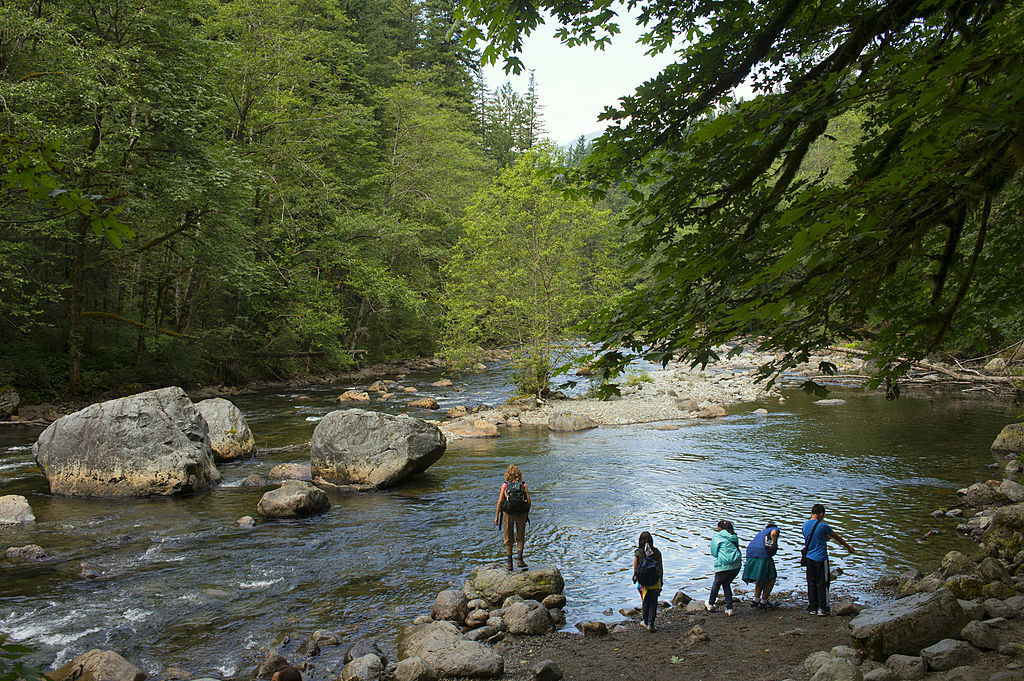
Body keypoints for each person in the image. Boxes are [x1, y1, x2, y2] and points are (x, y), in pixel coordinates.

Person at [802, 503, 854, 616]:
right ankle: (823, 607)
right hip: (820, 558)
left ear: (811, 513)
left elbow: (812, 537)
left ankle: (812, 607)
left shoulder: (804, 524)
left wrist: (824, 538)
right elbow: (837, 537)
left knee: (811, 582)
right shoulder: (823, 526)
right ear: (821, 514)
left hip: (809, 558)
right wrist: (848, 547)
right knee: (823, 583)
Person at [495, 463, 531, 571]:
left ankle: (509, 563)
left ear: (508, 475)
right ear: (519, 474)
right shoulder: (523, 485)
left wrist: (496, 516)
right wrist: (526, 515)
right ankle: (520, 560)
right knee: (520, 536)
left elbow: (499, 502)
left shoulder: (505, 485)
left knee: (508, 537)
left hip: (508, 513)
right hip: (521, 513)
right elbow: (529, 502)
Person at [706, 520, 742, 615]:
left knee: (717, 583)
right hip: (736, 565)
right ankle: (729, 608)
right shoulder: (734, 536)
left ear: (719, 528)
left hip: (723, 565)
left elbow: (714, 552)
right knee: (726, 584)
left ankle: (710, 604)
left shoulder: (717, 536)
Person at [742, 521, 780, 608]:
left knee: (760, 576)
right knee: (772, 576)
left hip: (750, 553)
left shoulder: (761, 533)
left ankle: (756, 600)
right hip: (762, 554)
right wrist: (775, 544)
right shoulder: (774, 529)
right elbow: (774, 533)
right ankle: (764, 601)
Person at [632, 531, 664, 632]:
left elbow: (635, 569)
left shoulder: (638, 552)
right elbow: (660, 568)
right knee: (653, 603)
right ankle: (651, 624)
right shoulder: (657, 552)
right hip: (655, 582)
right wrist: (661, 579)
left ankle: (645, 622)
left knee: (645, 601)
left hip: (643, 583)